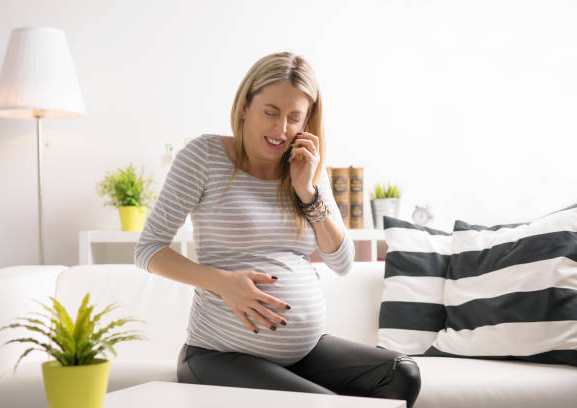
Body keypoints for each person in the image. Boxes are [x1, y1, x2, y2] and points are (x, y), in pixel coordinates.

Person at [134, 51, 421, 407]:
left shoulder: (308, 169)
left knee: (400, 374)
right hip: (217, 355)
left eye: (294, 118)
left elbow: (342, 261)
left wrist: (307, 191)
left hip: (303, 352)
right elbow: (148, 249)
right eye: (270, 112)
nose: (281, 129)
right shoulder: (204, 156)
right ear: (245, 106)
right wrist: (222, 282)